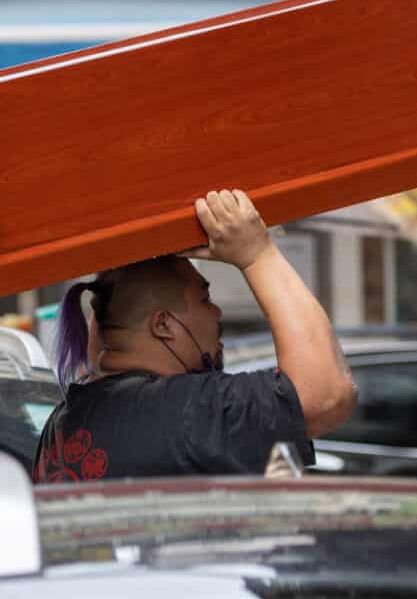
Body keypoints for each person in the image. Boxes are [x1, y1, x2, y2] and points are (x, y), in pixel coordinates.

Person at [33, 189, 358, 482]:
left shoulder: (63, 421)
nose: (216, 312)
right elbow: (326, 395)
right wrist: (258, 254)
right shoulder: (185, 411)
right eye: (205, 299)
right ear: (163, 326)